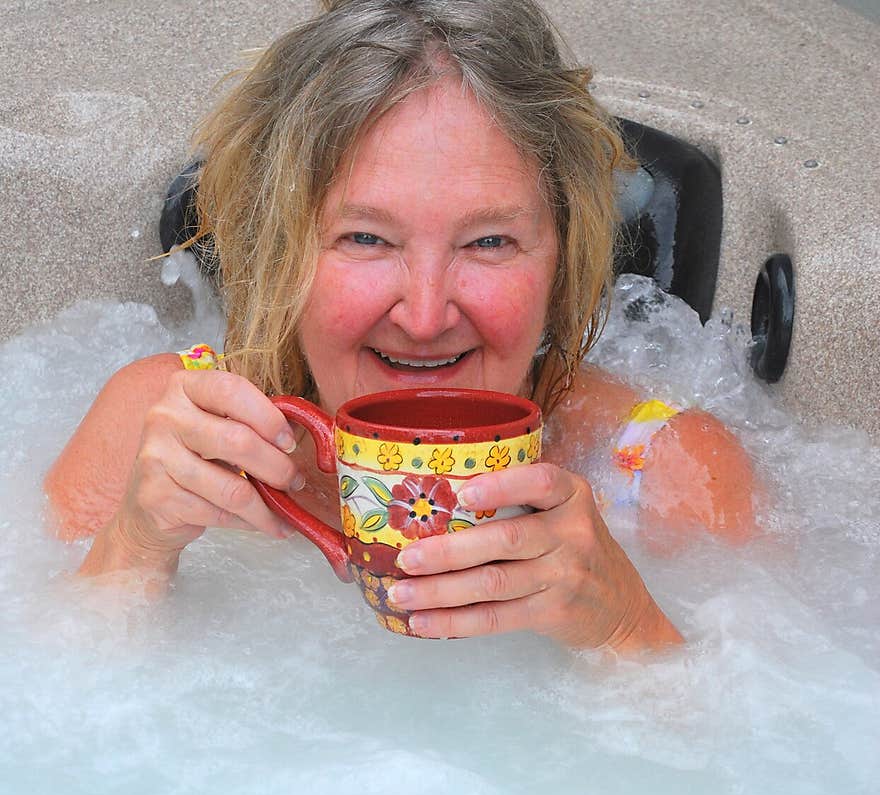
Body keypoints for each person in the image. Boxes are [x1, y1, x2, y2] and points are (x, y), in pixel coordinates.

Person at [44, 0, 756, 653]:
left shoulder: (666, 474)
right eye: (365, 239)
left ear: (564, 262)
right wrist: (134, 550)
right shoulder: (157, 428)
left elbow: (755, 767)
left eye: (489, 243)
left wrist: (626, 626)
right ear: (276, 250)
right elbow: (42, 726)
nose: (424, 316)